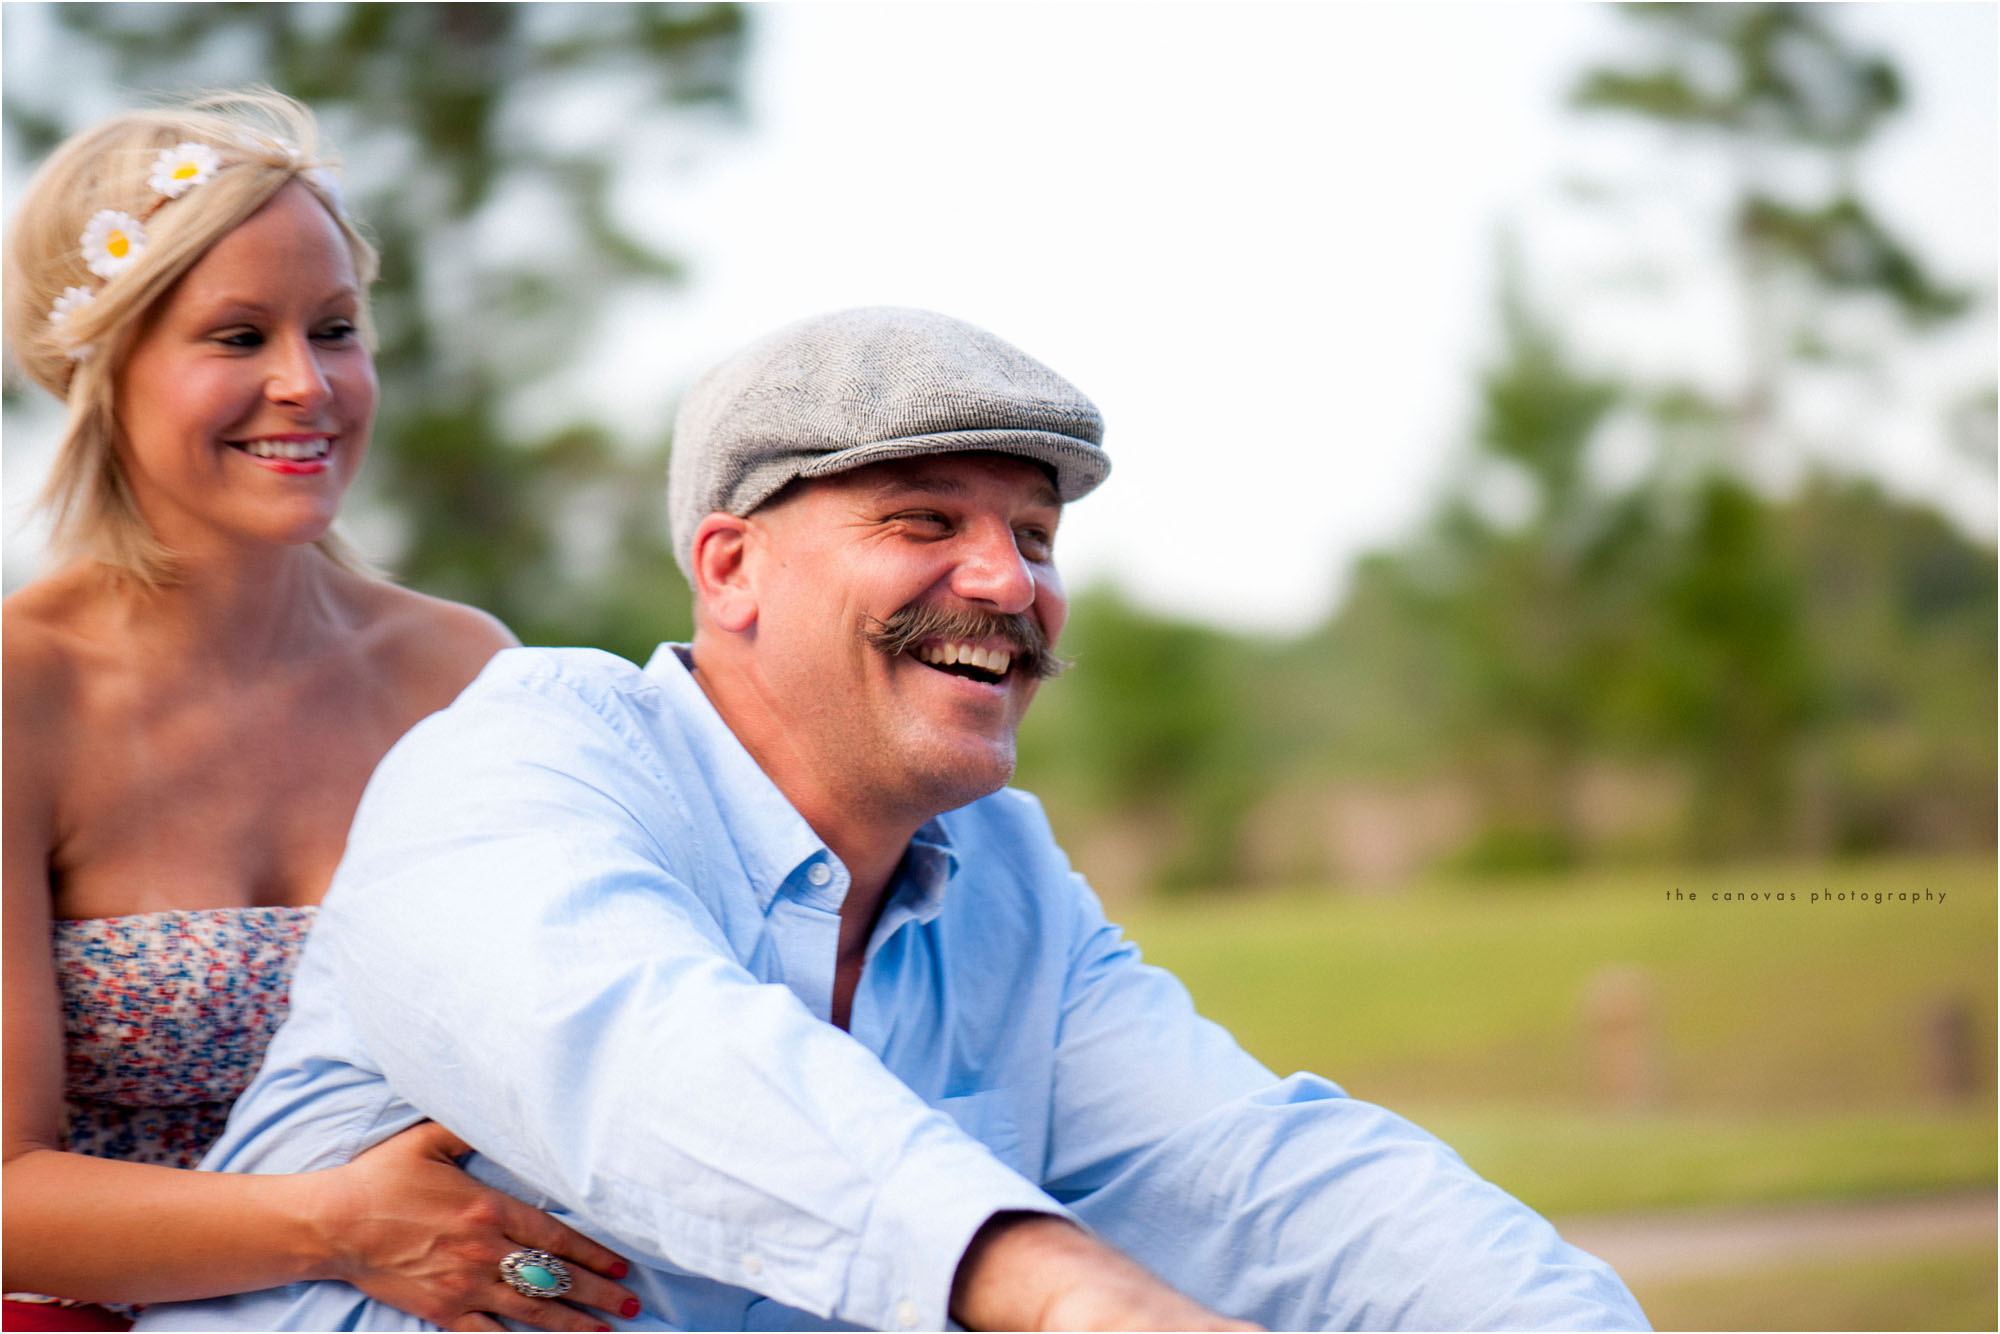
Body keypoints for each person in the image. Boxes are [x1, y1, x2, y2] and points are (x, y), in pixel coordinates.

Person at [140, 307, 1649, 1332]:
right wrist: (1060, 1286)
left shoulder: (1004, 872)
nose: (1008, 583)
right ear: (729, 568)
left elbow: (1251, 1169)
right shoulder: (526, 763)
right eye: (923, 522)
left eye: (1036, 537)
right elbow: (644, 1049)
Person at [2, 90, 643, 1332]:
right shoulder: (20, 694)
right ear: (102, 364)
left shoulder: (462, 670)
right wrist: (340, 1225)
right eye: (237, 337)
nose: (305, 384)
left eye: (335, 329)